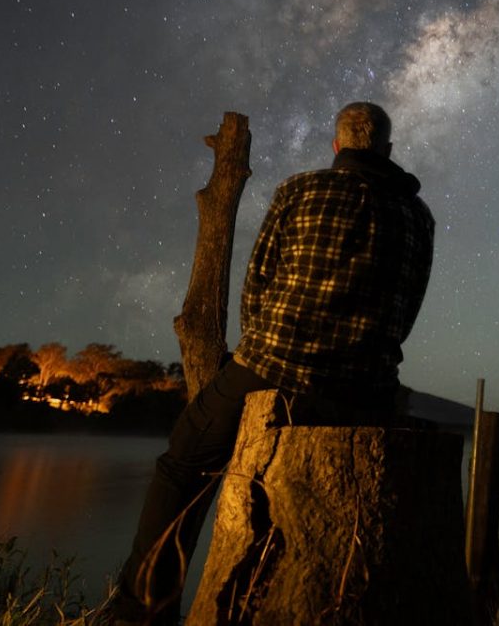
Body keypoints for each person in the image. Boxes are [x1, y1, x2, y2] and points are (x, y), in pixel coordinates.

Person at [109, 102, 434, 625]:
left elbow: (256, 286)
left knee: (182, 464)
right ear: (388, 151)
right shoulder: (419, 218)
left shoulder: (301, 190)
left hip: (274, 363)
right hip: (366, 384)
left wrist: (269, 345)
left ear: (336, 146)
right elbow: (408, 307)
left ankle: (140, 612)